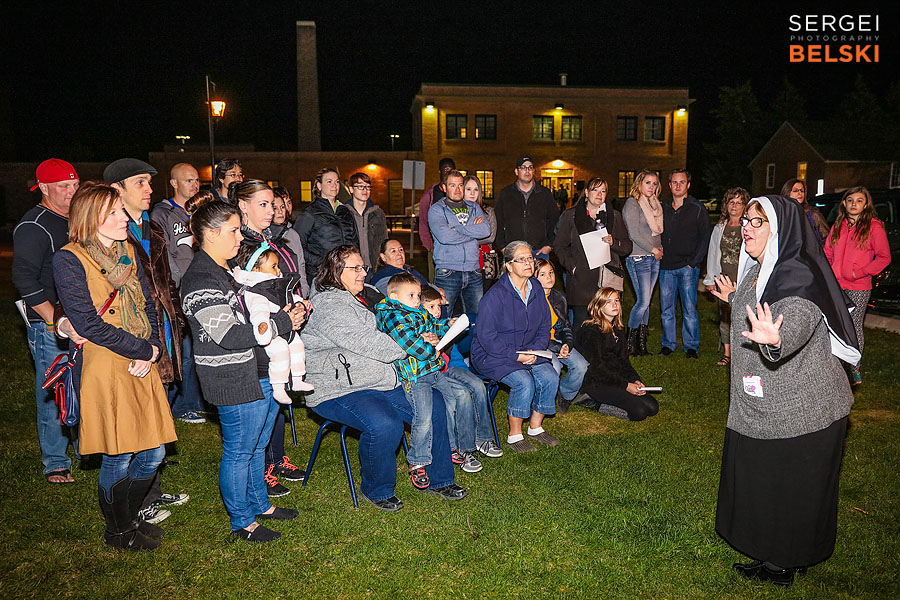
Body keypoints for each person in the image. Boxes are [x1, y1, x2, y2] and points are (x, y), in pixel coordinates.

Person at [710, 195, 860, 587]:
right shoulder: (758, 270)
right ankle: (770, 550)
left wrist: (775, 339)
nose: (747, 228)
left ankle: (786, 560)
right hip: (764, 404)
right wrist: (731, 298)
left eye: (758, 223)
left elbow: (794, 320)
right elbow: (752, 305)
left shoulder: (799, 276)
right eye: (747, 220)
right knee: (764, 480)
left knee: (793, 488)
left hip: (806, 408)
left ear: (781, 231)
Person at [53, 182, 176, 550]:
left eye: (122, 210)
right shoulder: (69, 259)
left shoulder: (127, 250)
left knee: (153, 451)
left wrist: (154, 347)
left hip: (141, 356)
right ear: (92, 218)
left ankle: (129, 517)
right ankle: (119, 531)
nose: (125, 218)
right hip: (106, 363)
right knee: (118, 453)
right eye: (115, 213)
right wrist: (141, 349)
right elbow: (88, 323)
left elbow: (149, 302)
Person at [301, 245, 467, 511]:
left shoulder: (371, 294)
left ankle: (440, 478)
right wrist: (414, 342)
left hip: (382, 379)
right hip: (339, 387)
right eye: (354, 268)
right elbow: (369, 343)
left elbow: (406, 321)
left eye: (362, 267)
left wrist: (431, 331)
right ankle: (376, 489)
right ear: (334, 270)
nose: (361, 273)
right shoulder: (328, 304)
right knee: (385, 424)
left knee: (436, 404)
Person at [181, 198, 306, 542]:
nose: (240, 238)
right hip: (231, 377)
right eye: (233, 230)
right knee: (239, 450)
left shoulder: (223, 272)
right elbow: (228, 334)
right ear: (209, 233)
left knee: (256, 444)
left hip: (255, 370)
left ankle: (259, 504)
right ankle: (242, 521)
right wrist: (282, 321)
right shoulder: (201, 278)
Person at [105, 158, 190, 522]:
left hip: (164, 335)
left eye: (149, 182)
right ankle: (135, 503)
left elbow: (165, 281)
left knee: (158, 415)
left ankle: (149, 488)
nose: (149, 189)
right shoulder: (109, 235)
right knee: (134, 428)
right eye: (140, 182)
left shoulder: (151, 229)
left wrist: (177, 320)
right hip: (133, 342)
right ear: (116, 190)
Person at [233, 179, 308, 495]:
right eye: (263, 204)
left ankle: (275, 458)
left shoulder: (271, 239)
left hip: (284, 320)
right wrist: (279, 317)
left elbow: (284, 281)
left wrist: (299, 304)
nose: (272, 210)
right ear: (243, 206)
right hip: (260, 330)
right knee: (263, 396)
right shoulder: (241, 244)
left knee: (275, 396)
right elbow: (248, 292)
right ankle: (261, 467)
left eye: (273, 203)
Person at [13, 158, 82, 483]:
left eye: (74, 185)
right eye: (63, 187)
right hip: (50, 325)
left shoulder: (77, 219)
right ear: (43, 188)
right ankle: (56, 461)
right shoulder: (34, 225)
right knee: (54, 390)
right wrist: (54, 322)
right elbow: (25, 280)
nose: (71, 192)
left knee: (83, 385)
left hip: (81, 320)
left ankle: (88, 448)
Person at [471, 241, 560, 453]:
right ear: (509, 266)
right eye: (521, 259)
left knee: (550, 376)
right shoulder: (495, 296)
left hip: (528, 349)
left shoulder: (536, 288)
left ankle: (536, 428)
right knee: (523, 381)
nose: (528, 263)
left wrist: (534, 350)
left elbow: (544, 325)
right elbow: (487, 337)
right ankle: (515, 435)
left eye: (530, 258)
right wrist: (515, 356)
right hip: (491, 354)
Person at [375, 273, 459, 487]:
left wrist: (447, 325)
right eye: (411, 295)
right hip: (414, 376)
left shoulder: (418, 311)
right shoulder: (393, 315)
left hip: (432, 370)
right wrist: (433, 350)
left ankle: (450, 446)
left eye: (418, 295)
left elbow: (432, 326)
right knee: (423, 417)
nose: (416, 299)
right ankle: (418, 461)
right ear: (394, 297)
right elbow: (410, 343)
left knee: (453, 401)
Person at [420, 285, 502, 465]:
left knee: (477, 385)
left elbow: (454, 357)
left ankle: (482, 438)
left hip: (449, 368)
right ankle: (463, 449)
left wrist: (467, 376)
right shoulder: (419, 329)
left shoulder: (441, 326)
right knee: (463, 395)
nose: (437, 311)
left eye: (438, 306)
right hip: (433, 372)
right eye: (431, 307)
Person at [230, 242, 314, 404]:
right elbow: (258, 310)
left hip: (286, 327)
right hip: (270, 331)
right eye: (274, 266)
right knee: (280, 351)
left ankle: (296, 378)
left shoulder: (275, 285)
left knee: (297, 346)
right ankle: (278, 387)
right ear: (256, 270)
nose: (278, 270)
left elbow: (288, 298)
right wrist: (262, 326)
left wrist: (301, 304)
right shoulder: (256, 291)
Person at [824, 186, 891, 385]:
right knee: (834, 325)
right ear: (844, 204)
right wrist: (829, 273)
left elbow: (884, 257)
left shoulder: (874, 227)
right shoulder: (838, 225)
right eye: (850, 200)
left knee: (853, 326)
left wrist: (859, 272)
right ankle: (835, 365)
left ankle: (854, 368)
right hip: (835, 285)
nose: (854, 204)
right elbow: (827, 252)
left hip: (859, 286)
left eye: (859, 200)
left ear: (866, 204)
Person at [555, 177, 632, 335]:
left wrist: (613, 242)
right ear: (586, 192)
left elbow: (627, 247)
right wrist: (572, 267)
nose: (599, 194)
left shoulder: (614, 217)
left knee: (605, 325)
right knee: (581, 324)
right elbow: (559, 245)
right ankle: (578, 358)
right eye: (595, 190)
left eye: (603, 191)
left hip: (606, 280)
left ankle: (604, 357)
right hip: (581, 279)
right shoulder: (571, 216)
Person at [574, 287, 659, 421]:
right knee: (639, 412)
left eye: (616, 300)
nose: (614, 304)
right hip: (597, 382)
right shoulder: (590, 331)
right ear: (599, 307)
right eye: (608, 302)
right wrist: (626, 386)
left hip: (617, 378)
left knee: (653, 407)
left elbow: (624, 360)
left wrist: (635, 380)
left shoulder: (618, 329)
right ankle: (591, 402)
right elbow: (597, 368)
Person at [658, 169, 710, 359]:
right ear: (670, 185)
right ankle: (668, 344)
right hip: (666, 267)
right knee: (666, 309)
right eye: (674, 182)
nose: (678, 185)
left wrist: (694, 263)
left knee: (689, 308)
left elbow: (705, 238)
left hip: (688, 267)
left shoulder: (697, 208)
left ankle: (691, 346)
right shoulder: (662, 208)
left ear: (688, 185)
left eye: (682, 182)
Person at [429, 170, 490, 317]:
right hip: (447, 271)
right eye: (452, 185)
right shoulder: (436, 210)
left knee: (477, 318)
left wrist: (457, 229)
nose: (458, 189)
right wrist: (472, 233)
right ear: (444, 188)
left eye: (461, 185)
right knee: (442, 317)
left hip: (473, 270)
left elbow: (486, 230)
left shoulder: (474, 207)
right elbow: (444, 236)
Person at [533, 259, 589, 414]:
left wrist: (567, 344)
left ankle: (564, 394)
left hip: (557, 341)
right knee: (554, 367)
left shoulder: (559, 297)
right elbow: (533, 335)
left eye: (551, 272)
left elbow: (566, 326)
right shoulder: (530, 300)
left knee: (581, 366)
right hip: (539, 343)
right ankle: (540, 402)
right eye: (543, 274)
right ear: (533, 278)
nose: (549, 277)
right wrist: (557, 348)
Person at [704, 188, 749, 367]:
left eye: (739, 202)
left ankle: (744, 353)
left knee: (745, 316)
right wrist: (710, 280)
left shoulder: (749, 226)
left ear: (745, 206)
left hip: (743, 280)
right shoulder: (720, 227)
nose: (734, 206)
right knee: (726, 317)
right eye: (731, 202)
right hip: (724, 280)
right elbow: (713, 253)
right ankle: (727, 353)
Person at [622, 170, 664, 356]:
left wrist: (659, 249)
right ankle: (629, 343)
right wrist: (653, 250)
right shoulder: (632, 204)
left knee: (646, 303)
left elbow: (656, 233)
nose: (652, 187)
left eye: (654, 183)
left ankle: (642, 344)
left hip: (654, 257)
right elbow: (634, 234)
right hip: (639, 257)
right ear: (639, 184)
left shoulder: (655, 205)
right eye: (648, 183)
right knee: (643, 301)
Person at [294, 167, 359, 286]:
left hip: (346, 273)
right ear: (319, 185)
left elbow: (355, 241)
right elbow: (296, 245)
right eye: (329, 181)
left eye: (337, 182)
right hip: (322, 275)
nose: (334, 185)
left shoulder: (345, 211)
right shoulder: (310, 213)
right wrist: (321, 262)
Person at [494, 157, 559, 258]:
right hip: (514, 251)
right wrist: (502, 247)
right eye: (523, 167)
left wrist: (550, 245)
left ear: (533, 171)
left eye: (530, 167)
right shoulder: (506, 194)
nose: (527, 170)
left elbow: (555, 220)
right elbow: (498, 221)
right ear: (516, 171)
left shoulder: (544, 194)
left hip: (539, 251)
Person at [338, 172, 387, 270]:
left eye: (368, 187)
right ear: (351, 189)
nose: (365, 190)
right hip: (352, 267)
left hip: (375, 267)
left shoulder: (377, 213)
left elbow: (384, 240)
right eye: (360, 186)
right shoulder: (343, 213)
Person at [418, 157, 456, 282]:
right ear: (440, 171)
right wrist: (428, 245)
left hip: (456, 246)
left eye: (451, 170)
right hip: (436, 246)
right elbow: (423, 220)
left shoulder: (459, 192)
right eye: (445, 170)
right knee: (436, 281)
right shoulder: (430, 194)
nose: (448, 173)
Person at [463, 174, 500, 288]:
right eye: (468, 189)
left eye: (476, 189)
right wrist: (477, 231)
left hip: (484, 263)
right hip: (462, 262)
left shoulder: (488, 211)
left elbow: (491, 236)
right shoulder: (455, 212)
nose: (473, 193)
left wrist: (466, 235)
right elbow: (453, 234)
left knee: (483, 298)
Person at [781, 178, 829, 246]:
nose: (799, 193)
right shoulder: (781, 215)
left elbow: (827, 239)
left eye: (802, 191)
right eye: (795, 190)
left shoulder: (813, 214)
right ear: (787, 193)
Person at [270, 187, 307, 273]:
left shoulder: (293, 233)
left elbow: (300, 264)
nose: (282, 210)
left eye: (288, 203)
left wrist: (303, 286)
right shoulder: (264, 235)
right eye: (275, 208)